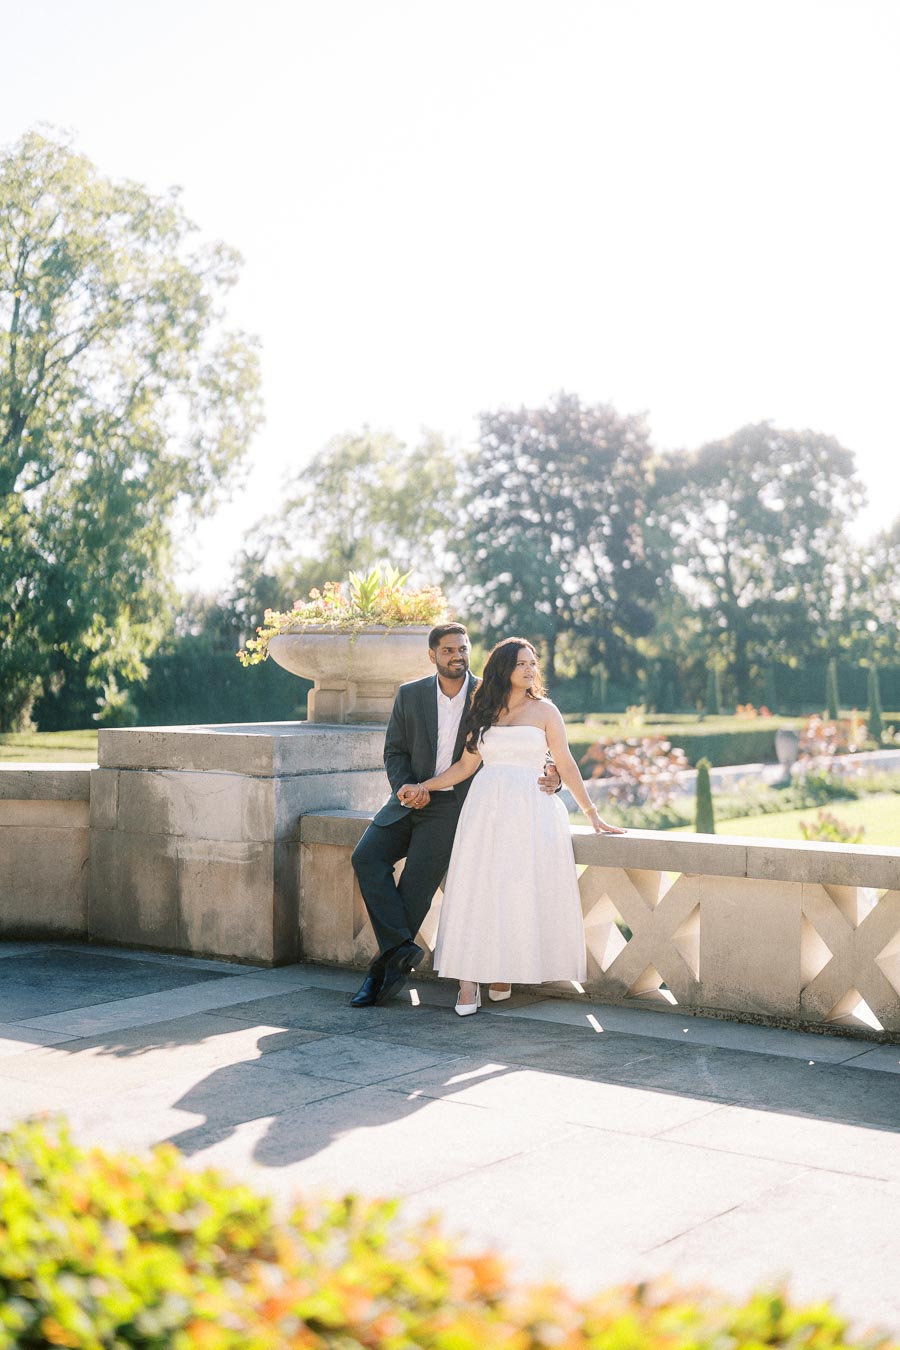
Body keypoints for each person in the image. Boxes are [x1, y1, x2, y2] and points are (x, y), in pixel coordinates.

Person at [349, 623, 562, 1007]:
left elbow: (528, 743)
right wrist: (406, 788)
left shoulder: (488, 695)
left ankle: (378, 977)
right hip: (409, 799)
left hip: (454, 809)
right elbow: (394, 751)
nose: (457, 656)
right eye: (447, 650)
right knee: (365, 857)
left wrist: (555, 775)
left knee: (414, 890)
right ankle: (400, 949)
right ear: (432, 655)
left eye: (462, 649)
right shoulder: (409, 694)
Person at [409, 637, 625, 1016]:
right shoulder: (483, 707)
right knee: (475, 888)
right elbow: (465, 766)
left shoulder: (546, 711)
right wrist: (424, 785)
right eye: (521, 663)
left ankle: (503, 969)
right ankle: (467, 983)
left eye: (533, 663)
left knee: (516, 890)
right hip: (485, 808)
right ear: (503, 669)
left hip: (531, 811)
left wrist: (592, 813)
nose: (530, 670)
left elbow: (566, 763)